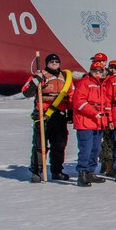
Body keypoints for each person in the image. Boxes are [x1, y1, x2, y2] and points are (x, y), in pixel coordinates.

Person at [21, 52, 73, 182]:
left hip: (59, 115)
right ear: (47, 63)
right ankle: (37, 172)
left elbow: (72, 95)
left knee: (59, 144)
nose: (54, 64)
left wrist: (71, 112)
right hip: (43, 115)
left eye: (56, 62)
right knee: (40, 145)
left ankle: (57, 171)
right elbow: (26, 92)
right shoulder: (40, 76)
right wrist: (36, 80)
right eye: (51, 62)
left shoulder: (65, 77)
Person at [69, 59, 109, 186]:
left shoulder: (101, 85)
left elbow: (105, 104)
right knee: (85, 149)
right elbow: (78, 102)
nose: (97, 73)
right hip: (85, 122)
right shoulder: (84, 83)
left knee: (95, 149)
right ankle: (82, 173)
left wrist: (105, 119)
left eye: (100, 70)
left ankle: (91, 172)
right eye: (94, 70)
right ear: (90, 71)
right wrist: (93, 112)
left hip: (97, 123)